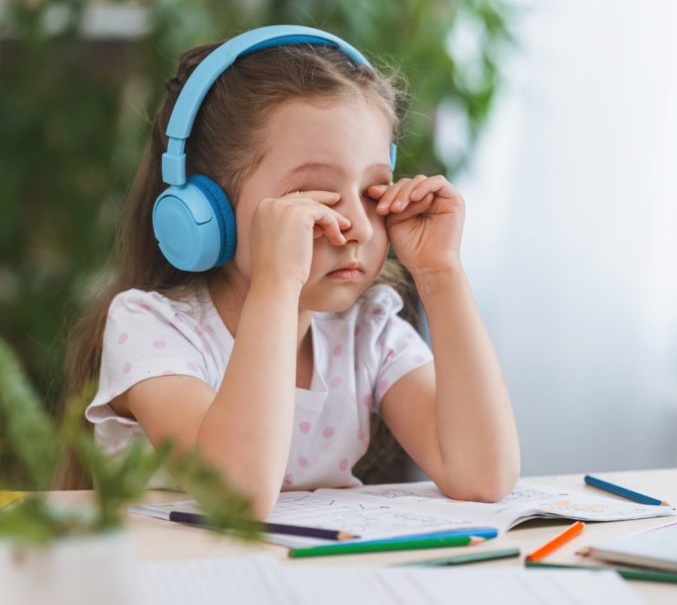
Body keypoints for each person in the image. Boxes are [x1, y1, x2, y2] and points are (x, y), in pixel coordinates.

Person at [63, 27, 520, 518]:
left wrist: (440, 273)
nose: (359, 229)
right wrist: (277, 284)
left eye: (372, 193)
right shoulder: (152, 329)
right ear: (205, 213)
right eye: (313, 198)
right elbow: (236, 495)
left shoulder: (368, 332)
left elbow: (481, 474)